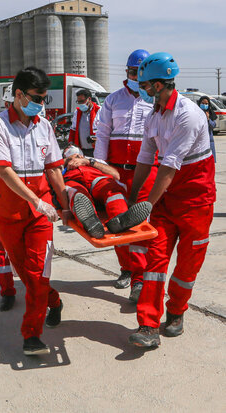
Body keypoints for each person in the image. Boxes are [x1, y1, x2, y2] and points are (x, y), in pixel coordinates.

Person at [127, 53, 216, 348]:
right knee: (155, 260)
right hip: (167, 199)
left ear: (157, 85)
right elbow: (145, 157)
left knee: (187, 267)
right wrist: (133, 194)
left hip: (195, 200)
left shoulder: (188, 115)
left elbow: (169, 165)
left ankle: (176, 312)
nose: (141, 89)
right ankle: (148, 325)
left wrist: (146, 206)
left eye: (144, 85)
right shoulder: (154, 115)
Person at [0, 67, 70, 356]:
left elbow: (54, 169)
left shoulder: (44, 126)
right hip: (9, 212)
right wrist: (35, 200)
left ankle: (31, 335)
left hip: (39, 215)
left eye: (45, 99)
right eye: (37, 98)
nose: (41, 105)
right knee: (28, 276)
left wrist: (65, 205)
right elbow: (5, 171)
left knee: (38, 273)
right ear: (18, 95)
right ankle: (54, 301)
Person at [95, 49, 155, 301]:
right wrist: (98, 164)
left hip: (145, 172)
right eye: (133, 72)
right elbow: (103, 133)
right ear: (127, 73)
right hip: (116, 171)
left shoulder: (154, 100)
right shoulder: (113, 100)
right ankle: (126, 269)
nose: (136, 78)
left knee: (139, 226)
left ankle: (139, 279)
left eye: (141, 74)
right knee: (117, 224)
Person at [62, 145, 152, 238]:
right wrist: (67, 161)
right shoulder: (60, 165)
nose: (71, 148)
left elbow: (116, 175)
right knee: (77, 194)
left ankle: (120, 220)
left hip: (96, 179)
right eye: (67, 149)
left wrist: (89, 162)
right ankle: (92, 224)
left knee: (112, 189)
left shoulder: (94, 160)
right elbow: (52, 174)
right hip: (73, 180)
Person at [0, 85, 18, 312]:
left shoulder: (39, 125)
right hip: (6, 198)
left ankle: (41, 291)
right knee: (2, 250)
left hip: (32, 199)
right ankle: (7, 291)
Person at [68, 89, 100, 157]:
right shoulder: (77, 112)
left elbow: (105, 130)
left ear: (89, 99)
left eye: (82, 101)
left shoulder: (99, 111)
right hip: (81, 151)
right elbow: (73, 129)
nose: (80, 104)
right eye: (78, 102)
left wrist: (95, 138)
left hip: (96, 150)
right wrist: (70, 143)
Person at [198, 96, 217, 162]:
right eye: (202, 103)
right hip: (199, 140)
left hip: (209, 140)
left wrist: (208, 119)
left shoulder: (211, 113)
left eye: (206, 104)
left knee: (210, 161)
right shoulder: (196, 112)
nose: (204, 105)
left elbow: (214, 125)